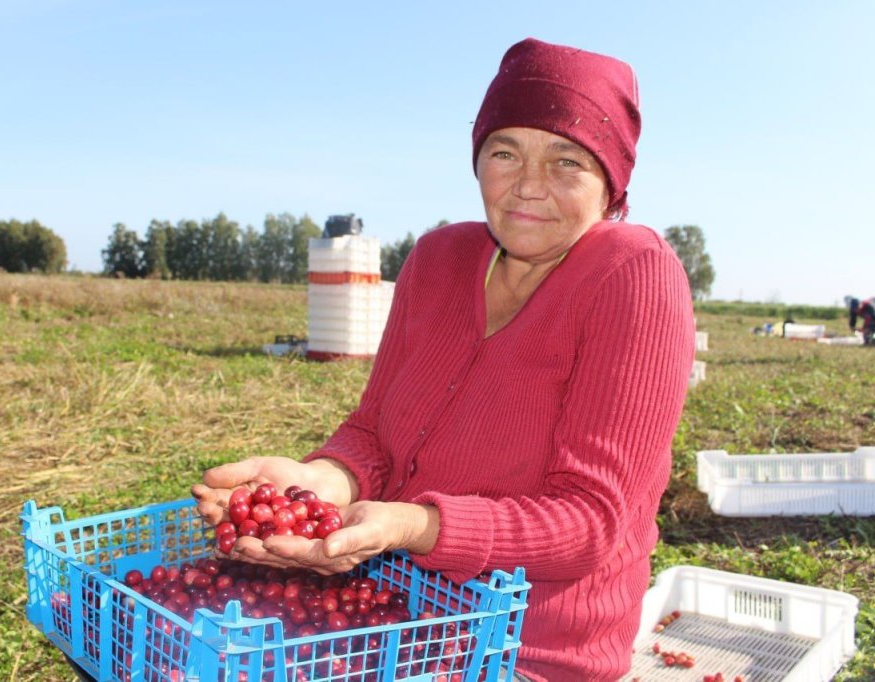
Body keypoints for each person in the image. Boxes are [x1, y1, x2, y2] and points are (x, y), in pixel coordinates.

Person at [193, 37, 695, 681]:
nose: (528, 186)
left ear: (610, 181)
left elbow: (591, 521)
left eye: (567, 161)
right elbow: (375, 432)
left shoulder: (635, 275)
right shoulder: (437, 261)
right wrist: (319, 481)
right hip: (395, 609)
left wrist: (414, 525)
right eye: (505, 152)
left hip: (527, 643)